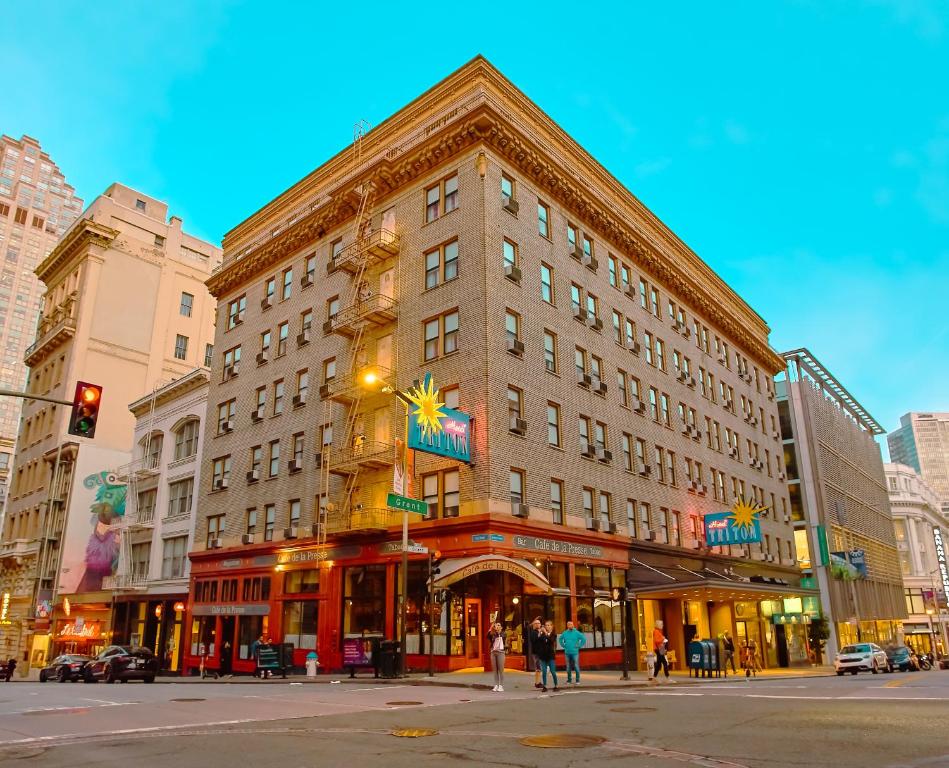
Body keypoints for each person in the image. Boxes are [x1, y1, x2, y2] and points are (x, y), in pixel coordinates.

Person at [559, 620, 586, 685]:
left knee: (576, 666)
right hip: (567, 652)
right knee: (568, 667)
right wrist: (563, 645)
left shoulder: (577, 633)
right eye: (569, 624)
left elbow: (583, 639)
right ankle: (569, 680)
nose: (570, 625)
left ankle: (577, 680)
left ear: (573, 625)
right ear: (567, 626)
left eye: (571, 624)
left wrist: (579, 645)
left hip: (575, 652)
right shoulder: (565, 633)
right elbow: (560, 639)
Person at [536, 620, 559, 692]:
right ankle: (545, 686)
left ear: (552, 626)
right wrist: (540, 633)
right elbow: (538, 641)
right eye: (546, 625)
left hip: (550, 656)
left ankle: (556, 685)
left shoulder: (554, 634)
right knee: (544, 672)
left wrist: (546, 633)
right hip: (543, 656)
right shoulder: (543, 634)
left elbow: (551, 641)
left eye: (549, 625)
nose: (547, 627)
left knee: (553, 671)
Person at [487, 622, 506, 692]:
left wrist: (498, 632)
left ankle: (501, 685)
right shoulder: (492, 634)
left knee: (501, 670)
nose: (497, 627)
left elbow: (502, 637)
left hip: (501, 652)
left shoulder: (503, 633)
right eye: (496, 626)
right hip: (493, 652)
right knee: (495, 670)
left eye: (499, 625)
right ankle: (496, 685)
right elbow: (487, 636)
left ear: (501, 627)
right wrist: (491, 628)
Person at [529, 617, 544, 689]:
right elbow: (534, 640)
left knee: (539, 668)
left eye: (539, 623)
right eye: (536, 623)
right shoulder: (533, 632)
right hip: (536, 652)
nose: (538, 624)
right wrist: (540, 633)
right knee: (538, 668)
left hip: (541, 652)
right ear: (534, 625)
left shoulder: (540, 632)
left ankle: (538, 682)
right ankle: (537, 683)